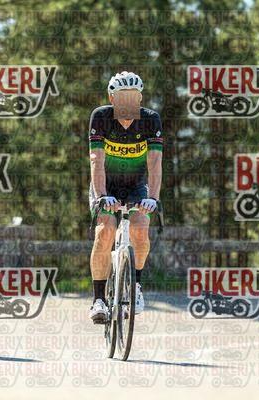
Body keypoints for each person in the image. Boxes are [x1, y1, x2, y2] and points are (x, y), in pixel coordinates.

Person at [88, 71, 163, 322]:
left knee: (140, 229)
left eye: (132, 96)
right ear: (112, 98)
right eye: (122, 96)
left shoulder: (151, 120)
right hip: (106, 185)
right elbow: (96, 160)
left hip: (136, 185)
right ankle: (99, 299)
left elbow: (155, 162)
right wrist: (101, 195)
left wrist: (153, 198)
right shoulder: (101, 117)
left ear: (140, 98)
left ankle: (136, 285)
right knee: (105, 231)